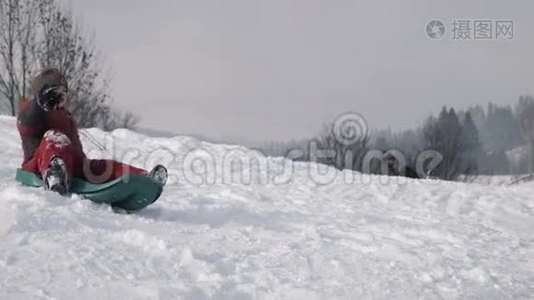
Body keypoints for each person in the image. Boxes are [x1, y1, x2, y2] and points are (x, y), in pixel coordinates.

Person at [17, 68, 167, 195]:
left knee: (105, 167)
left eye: (64, 93)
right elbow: (27, 122)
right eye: (57, 93)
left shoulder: (66, 116)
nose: (62, 97)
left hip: (73, 164)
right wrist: (39, 104)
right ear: (42, 93)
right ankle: (55, 176)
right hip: (38, 164)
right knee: (55, 137)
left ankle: (144, 179)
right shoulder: (32, 111)